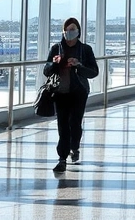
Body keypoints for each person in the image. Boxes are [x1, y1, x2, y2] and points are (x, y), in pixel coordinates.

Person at [43, 17, 99, 173]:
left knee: (75, 123)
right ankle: (62, 158)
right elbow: (46, 71)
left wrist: (78, 65)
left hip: (78, 92)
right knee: (62, 125)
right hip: (60, 92)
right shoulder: (56, 48)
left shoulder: (85, 50)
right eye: (67, 30)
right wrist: (54, 63)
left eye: (73, 29)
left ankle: (74, 146)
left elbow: (93, 72)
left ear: (78, 31)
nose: (69, 32)